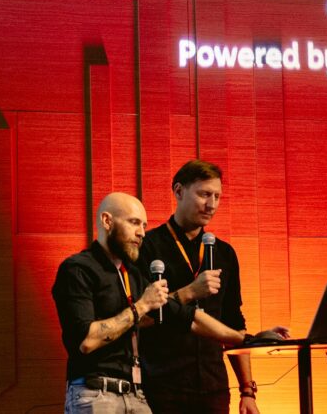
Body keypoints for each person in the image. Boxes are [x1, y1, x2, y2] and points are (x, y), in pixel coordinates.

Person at [53, 191, 278, 413]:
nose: (141, 233)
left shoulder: (132, 274)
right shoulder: (78, 269)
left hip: (135, 393)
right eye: (134, 223)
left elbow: (188, 317)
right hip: (96, 392)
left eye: (144, 225)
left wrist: (249, 340)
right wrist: (142, 306)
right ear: (107, 221)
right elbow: (86, 340)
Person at [137, 160, 275, 414]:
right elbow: (139, 316)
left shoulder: (224, 253)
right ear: (179, 191)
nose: (211, 205)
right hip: (161, 386)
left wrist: (247, 390)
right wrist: (191, 291)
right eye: (204, 194)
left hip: (214, 387)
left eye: (217, 196)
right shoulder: (148, 247)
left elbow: (234, 321)